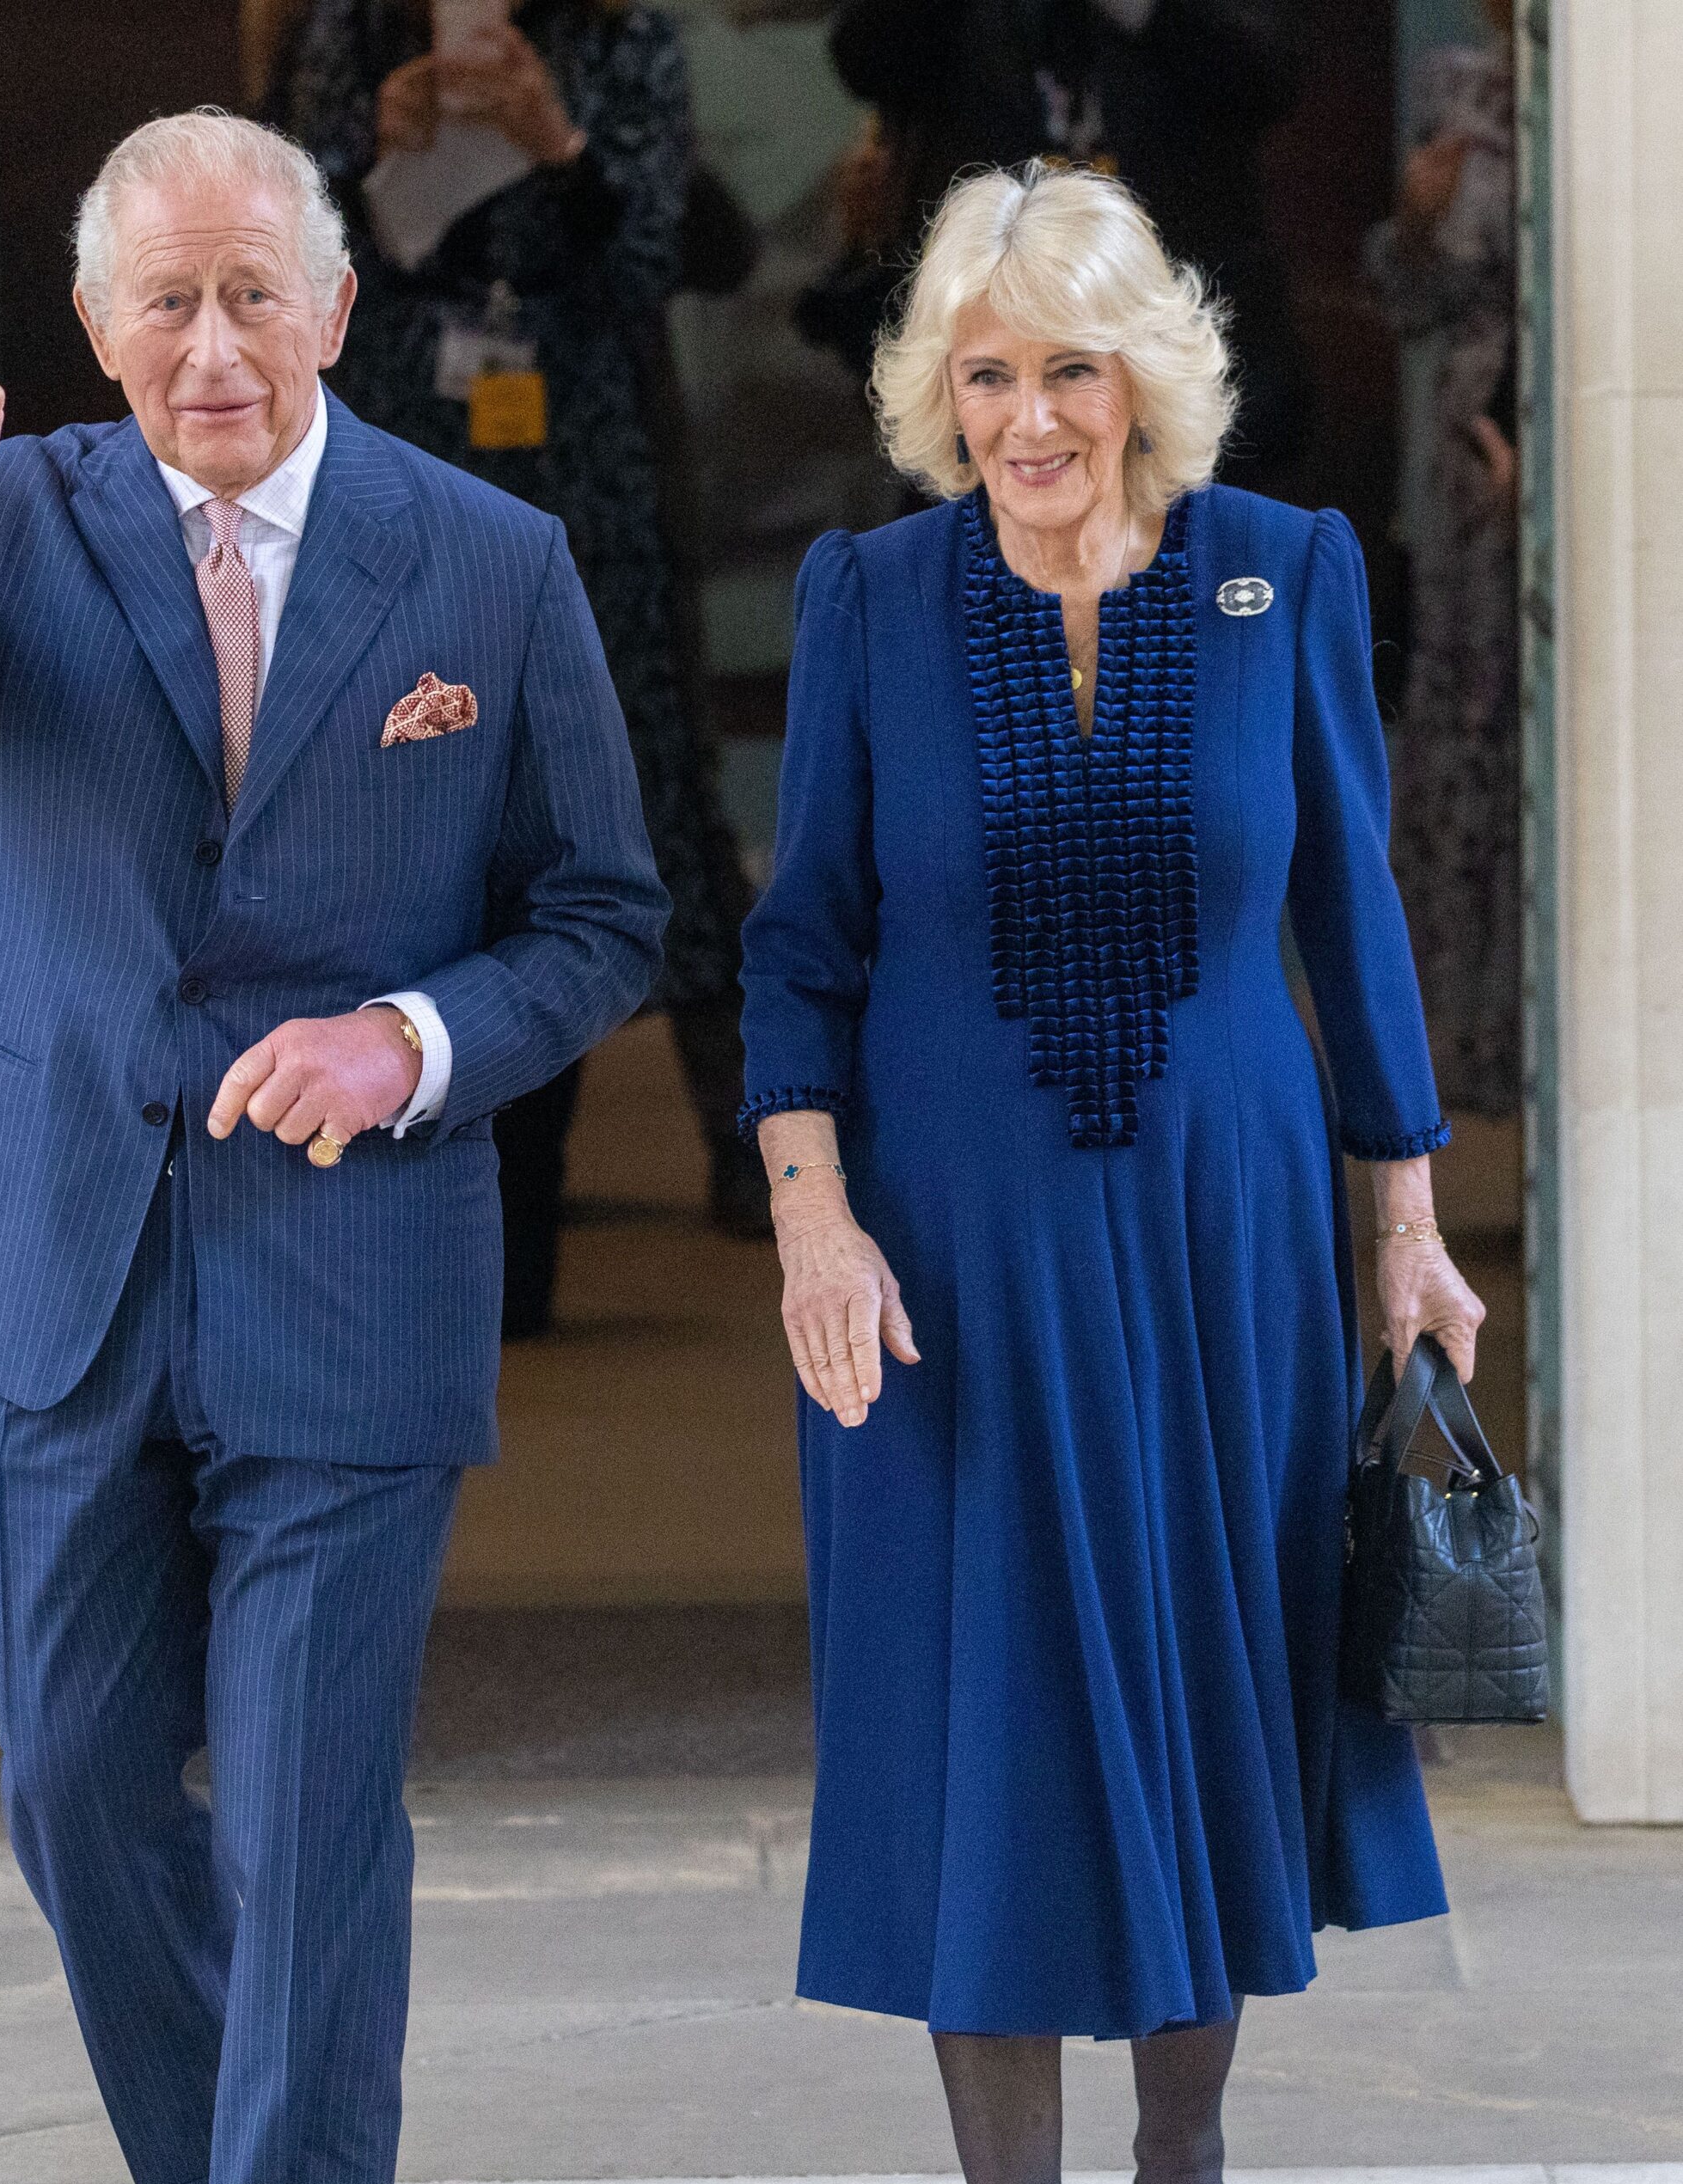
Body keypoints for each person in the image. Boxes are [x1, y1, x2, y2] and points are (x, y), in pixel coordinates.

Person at [0, 110, 664, 2184]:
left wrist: (406, 1040)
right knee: (74, 1791)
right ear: (94, 325)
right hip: (53, 1251)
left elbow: (601, 915)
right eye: (166, 301)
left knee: (309, 1823)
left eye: (255, 292)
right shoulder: (4, 514)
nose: (215, 345)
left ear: (334, 306)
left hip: (348, 1283)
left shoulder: (489, 559)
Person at [740, 162, 1484, 2184]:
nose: (1028, 418)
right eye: (985, 374)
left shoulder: (1282, 569)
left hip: (1220, 1248)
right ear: (939, 392)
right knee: (977, 1717)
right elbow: (798, 945)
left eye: (1068, 368)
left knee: (1195, 1680)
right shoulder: (868, 600)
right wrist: (810, 1215)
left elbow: (1348, 915)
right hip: (939, 1261)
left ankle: (1182, 2162)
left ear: (1142, 375)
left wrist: (1405, 1229)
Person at [274, 0, 768, 1336]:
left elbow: (654, 255)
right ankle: (373, 1128)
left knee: (640, 777)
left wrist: (558, 145)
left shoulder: (622, 37)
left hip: (578, 424)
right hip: (403, 410)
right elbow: (277, 257)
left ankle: (747, 1134)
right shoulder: (353, 28)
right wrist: (360, 146)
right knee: (400, 767)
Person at [808, 0, 1312, 487]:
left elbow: (1271, 73)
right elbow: (862, 58)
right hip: (984, 316)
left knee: (1196, 508)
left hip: (1180, 319)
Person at [1365, 0, 1520, 1117]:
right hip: (1470, 478)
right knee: (1462, 741)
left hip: (1592, 451)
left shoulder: (1627, 84)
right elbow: (1408, 303)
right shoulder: (1457, 94)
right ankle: (1457, 1053)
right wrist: (1413, 227)